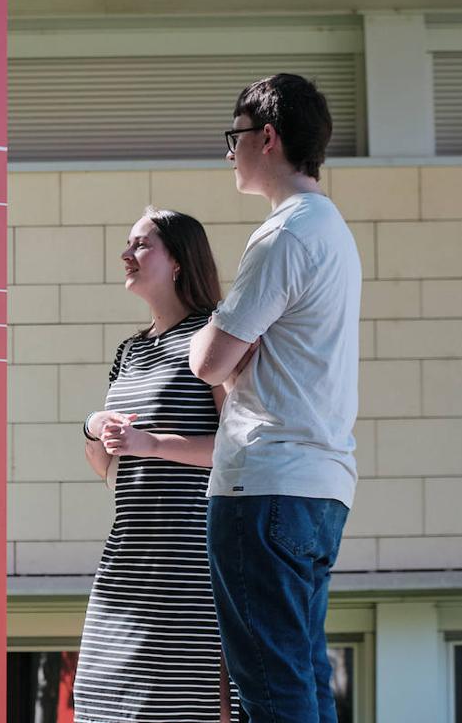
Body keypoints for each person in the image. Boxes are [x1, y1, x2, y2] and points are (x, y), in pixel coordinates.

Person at [189, 74, 360, 723]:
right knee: (303, 677)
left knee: (271, 687)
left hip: (264, 486)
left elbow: (207, 359)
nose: (229, 152)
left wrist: (221, 349)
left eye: (234, 138)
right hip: (321, 485)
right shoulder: (333, 230)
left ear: (268, 138)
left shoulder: (283, 233)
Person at [75, 208, 238, 723]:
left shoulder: (213, 335)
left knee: (175, 707)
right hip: (128, 553)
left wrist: (153, 444)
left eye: (142, 245)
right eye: (129, 243)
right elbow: (107, 467)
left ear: (178, 262)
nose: (127, 254)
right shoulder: (129, 350)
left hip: (188, 561)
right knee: (102, 701)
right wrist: (93, 427)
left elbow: (239, 448)